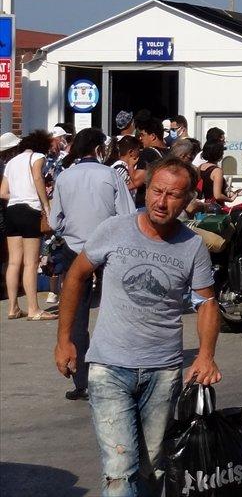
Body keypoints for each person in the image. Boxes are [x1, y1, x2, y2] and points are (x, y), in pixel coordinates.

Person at [54, 157, 220, 496]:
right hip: (109, 368)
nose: (162, 202)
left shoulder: (192, 246)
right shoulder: (114, 229)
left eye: (173, 195)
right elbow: (76, 276)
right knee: (119, 469)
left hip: (163, 371)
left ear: (188, 200)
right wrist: (65, 339)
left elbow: (207, 303)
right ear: (146, 190)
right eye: (157, 191)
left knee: (152, 467)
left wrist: (205, 356)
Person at [48, 128, 136, 400]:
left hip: (75, 249)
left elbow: (54, 220)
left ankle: (82, 381)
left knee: (76, 313)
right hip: (110, 247)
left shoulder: (65, 176)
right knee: (117, 308)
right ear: (99, 149)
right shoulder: (110, 175)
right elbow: (128, 213)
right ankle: (120, 371)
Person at [1, 130, 55, 320]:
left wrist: (18, 194)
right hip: (30, 210)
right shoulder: (38, 156)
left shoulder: (11, 163)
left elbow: (2, 192)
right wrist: (45, 204)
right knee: (31, 263)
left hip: (12, 210)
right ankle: (33, 309)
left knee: (14, 261)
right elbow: (38, 178)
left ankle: (13, 307)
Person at [131, 116, 167, 208]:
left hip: (146, 205)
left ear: (153, 136)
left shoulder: (148, 152)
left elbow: (137, 181)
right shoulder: (170, 152)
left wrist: (130, 165)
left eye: (143, 135)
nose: (140, 138)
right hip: (163, 202)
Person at [196, 140, 237, 206]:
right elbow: (217, 195)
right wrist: (230, 199)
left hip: (203, 204)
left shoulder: (200, 167)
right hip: (215, 206)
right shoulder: (217, 171)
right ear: (219, 154)